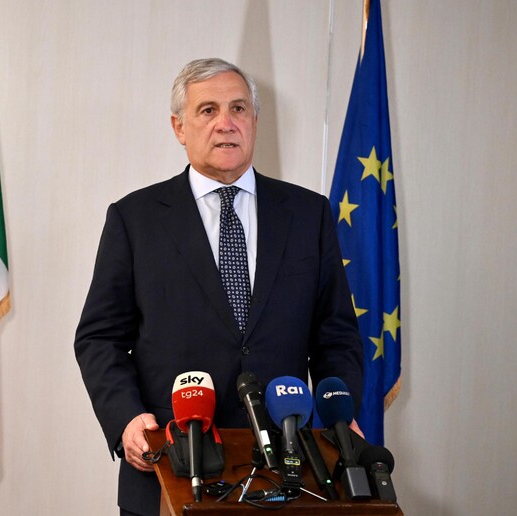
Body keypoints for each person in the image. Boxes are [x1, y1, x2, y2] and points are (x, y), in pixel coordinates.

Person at [74, 57, 363, 516]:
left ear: (255, 121)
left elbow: (337, 335)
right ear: (179, 127)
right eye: (208, 110)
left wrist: (340, 415)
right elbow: (99, 337)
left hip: (288, 471)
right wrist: (126, 419)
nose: (226, 123)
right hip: (171, 463)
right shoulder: (135, 218)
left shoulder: (309, 214)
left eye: (238, 109)